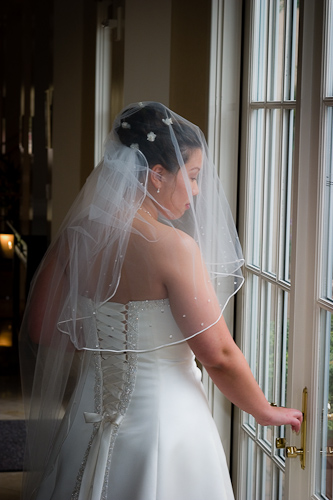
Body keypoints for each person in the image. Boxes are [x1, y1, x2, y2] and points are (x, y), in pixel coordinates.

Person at [19, 102, 302, 500]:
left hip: (88, 418)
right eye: (193, 176)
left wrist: (113, 350)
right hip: (165, 426)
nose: (198, 190)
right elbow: (218, 353)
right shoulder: (173, 247)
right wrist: (265, 411)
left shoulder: (77, 235)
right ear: (156, 175)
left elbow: (41, 327)